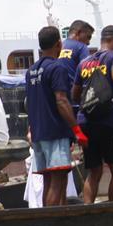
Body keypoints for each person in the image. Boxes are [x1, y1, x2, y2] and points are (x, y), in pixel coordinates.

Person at [26, 26, 88, 207]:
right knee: (58, 180)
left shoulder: (31, 71)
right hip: (55, 133)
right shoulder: (57, 68)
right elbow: (62, 101)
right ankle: (52, 222)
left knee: (48, 179)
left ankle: (53, 220)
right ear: (58, 44)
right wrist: (77, 130)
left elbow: (30, 103)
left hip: (39, 134)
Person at [71, 25, 113, 203]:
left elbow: (75, 94)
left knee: (94, 171)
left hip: (85, 121)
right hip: (107, 122)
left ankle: (88, 211)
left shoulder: (84, 62)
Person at [59, 19, 95, 106]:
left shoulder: (59, 46)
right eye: (88, 37)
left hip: (59, 99)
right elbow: (87, 75)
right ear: (79, 33)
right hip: (75, 100)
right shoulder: (81, 47)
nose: (88, 42)